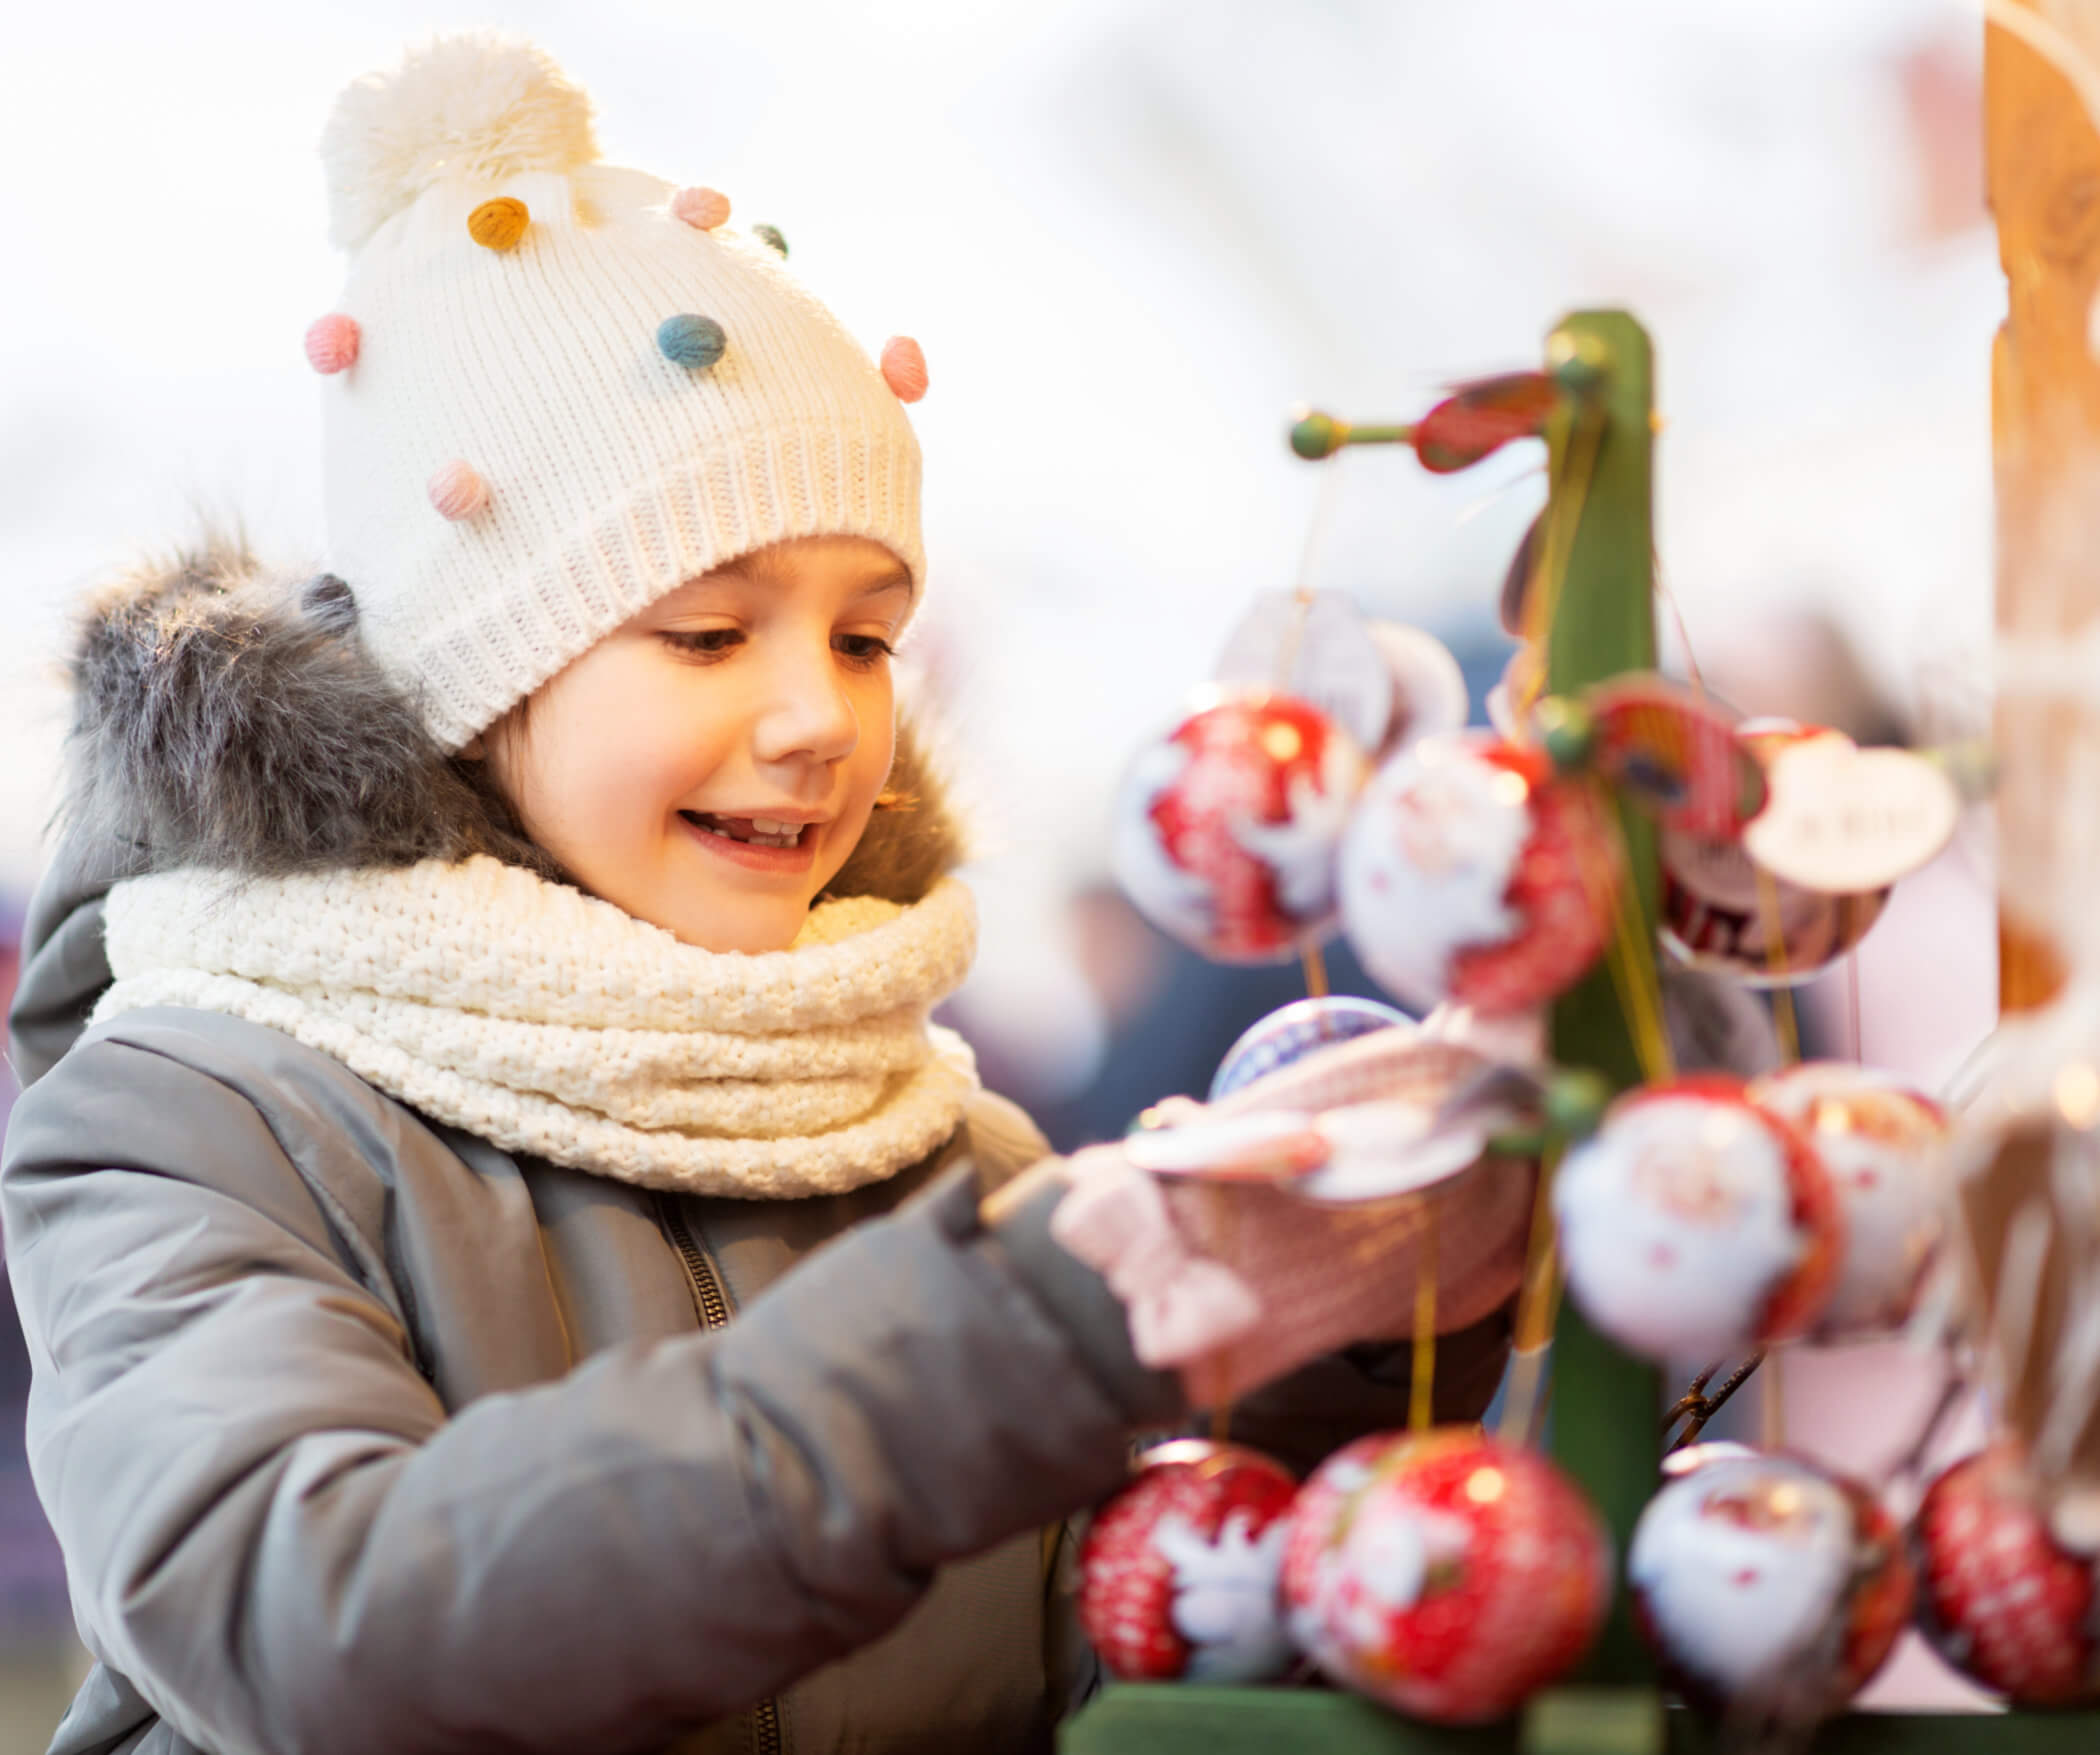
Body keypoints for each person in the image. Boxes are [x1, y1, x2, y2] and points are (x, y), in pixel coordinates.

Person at [0, 35, 1530, 1755]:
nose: (821, 720)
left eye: (867, 636)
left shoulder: (930, 1144)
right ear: (469, 669)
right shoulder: (188, 1124)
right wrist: (1017, 1341)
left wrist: (1327, 1361)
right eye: (710, 633)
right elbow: (318, 1628)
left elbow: (1080, 1682)